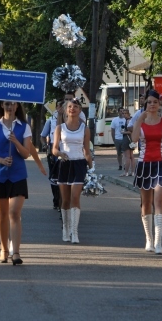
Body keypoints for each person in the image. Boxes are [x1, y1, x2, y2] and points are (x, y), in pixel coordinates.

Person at [0, 101, 31, 265]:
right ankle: (4, 249)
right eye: (6, 104)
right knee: (2, 214)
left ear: (18, 106)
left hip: (18, 175)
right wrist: (1, 160)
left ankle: (16, 252)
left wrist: (16, 141)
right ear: (2, 106)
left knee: (14, 213)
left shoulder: (24, 126)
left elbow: (26, 154)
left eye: (13, 104)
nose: (10, 107)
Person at [132, 90, 162, 254]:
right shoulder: (141, 121)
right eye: (149, 102)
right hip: (144, 163)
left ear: (159, 105)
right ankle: (148, 239)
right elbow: (134, 139)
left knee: (159, 200)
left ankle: (158, 241)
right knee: (146, 202)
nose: (152, 105)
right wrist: (139, 120)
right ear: (145, 105)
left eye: (155, 102)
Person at [52, 98, 93, 243]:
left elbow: (86, 150)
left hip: (79, 164)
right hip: (64, 164)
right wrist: (59, 154)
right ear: (65, 109)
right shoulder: (60, 128)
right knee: (65, 199)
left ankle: (75, 232)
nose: (72, 109)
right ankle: (66, 228)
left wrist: (91, 167)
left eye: (76, 106)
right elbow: (54, 148)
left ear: (80, 110)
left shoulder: (85, 129)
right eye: (70, 106)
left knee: (75, 197)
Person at [40, 99, 63, 211]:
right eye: (60, 106)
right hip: (54, 150)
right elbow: (43, 136)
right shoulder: (50, 120)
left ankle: (64, 202)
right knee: (54, 177)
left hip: (67, 150)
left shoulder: (72, 120)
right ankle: (56, 198)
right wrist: (45, 145)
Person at [121, 109, 135, 176]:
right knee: (131, 156)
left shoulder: (129, 120)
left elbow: (131, 131)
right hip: (131, 139)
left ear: (128, 114)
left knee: (127, 156)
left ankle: (126, 172)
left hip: (127, 139)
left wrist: (123, 132)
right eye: (123, 113)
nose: (124, 115)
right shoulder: (130, 120)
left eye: (125, 113)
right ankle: (132, 172)